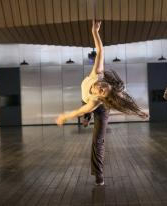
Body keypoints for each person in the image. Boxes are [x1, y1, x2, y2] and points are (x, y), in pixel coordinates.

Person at [56, 21, 148, 186]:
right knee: (89, 106)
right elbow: (100, 51)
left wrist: (64, 116)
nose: (101, 86)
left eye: (103, 90)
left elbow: (76, 111)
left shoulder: (96, 102)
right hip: (88, 99)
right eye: (105, 85)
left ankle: (99, 175)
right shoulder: (98, 74)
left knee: (98, 140)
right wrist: (95, 31)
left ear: (102, 96)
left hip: (100, 109)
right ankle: (87, 118)